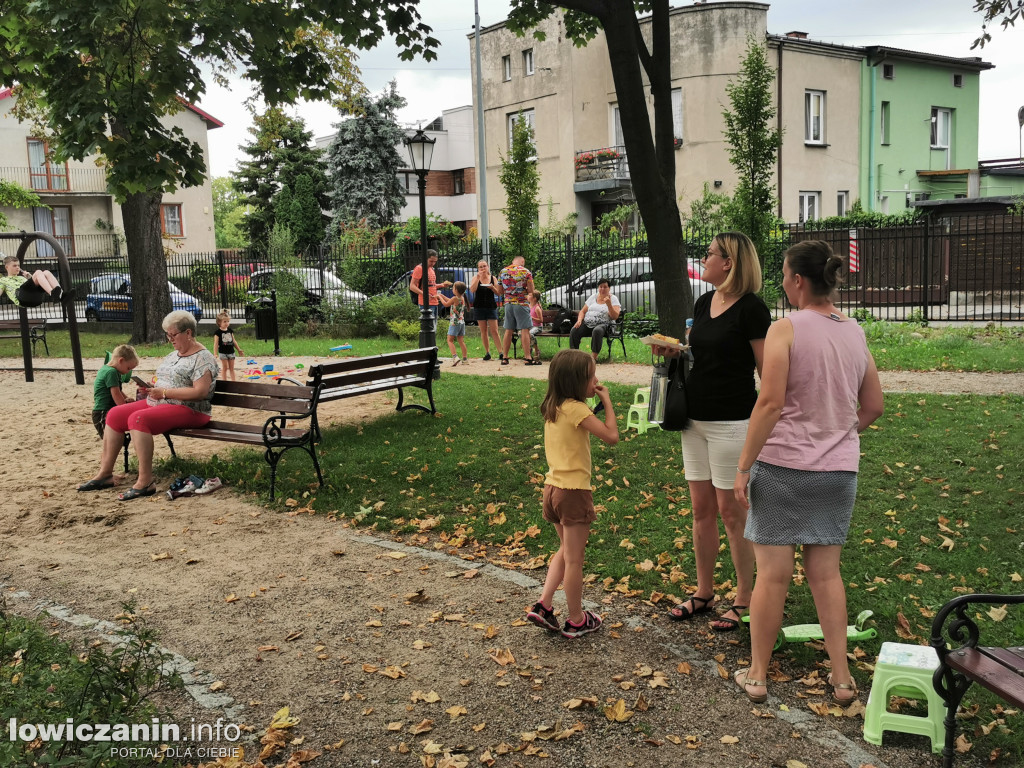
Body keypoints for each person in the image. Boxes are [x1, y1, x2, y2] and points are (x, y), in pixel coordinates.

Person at [731, 240, 884, 705]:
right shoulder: (855, 332)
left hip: (782, 468)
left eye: (783, 274)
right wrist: (836, 433)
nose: (781, 281)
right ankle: (841, 679)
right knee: (826, 575)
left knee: (772, 575)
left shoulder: (786, 328)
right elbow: (874, 406)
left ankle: (757, 675)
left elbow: (771, 402)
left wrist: (743, 466)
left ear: (798, 280)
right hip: (839, 472)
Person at [657, 232, 771, 632]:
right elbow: (700, 354)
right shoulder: (705, 302)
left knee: (731, 512)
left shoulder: (753, 310)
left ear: (730, 263)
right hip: (694, 421)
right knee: (701, 510)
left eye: (709, 254)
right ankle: (704, 592)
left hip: (732, 424)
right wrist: (675, 352)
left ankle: (744, 598)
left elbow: (766, 374)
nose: (703, 259)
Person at [77, 311, 219, 500]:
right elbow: (166, 383)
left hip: (191, 409)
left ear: (188, 333)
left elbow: (199, 392)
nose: (170, 339)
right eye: (167, 335)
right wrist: (151, 389)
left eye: (173, 335)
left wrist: (165, 393)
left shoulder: (202, 358)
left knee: (138, 419)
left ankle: (145, 482)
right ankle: (105, 474)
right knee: (115, 414)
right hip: (163, 401)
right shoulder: (173, 355)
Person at [527, 349, 619, 638]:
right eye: (592, 376)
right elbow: (611, 436)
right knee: (575, 560)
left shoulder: (554, 406)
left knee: (565, 552)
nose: (596, 380)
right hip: (573, 493)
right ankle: (577, 619)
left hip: (552, 490)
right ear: (577, 381)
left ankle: (543, 605)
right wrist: (606, 401)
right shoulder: (578, 410)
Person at [92, 344, 139, 438]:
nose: (127, 372)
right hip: (103, 411)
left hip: (107, 409)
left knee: (115, 438)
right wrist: (126, 409)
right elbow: (116, 394)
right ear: (121, 360)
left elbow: (118, 390)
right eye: (128, 368)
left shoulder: (107, 369)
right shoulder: (111, 372)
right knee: (110, 440)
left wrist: (126, 399)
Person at [569, 278, 621, 361]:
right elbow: (582, 311)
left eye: (605, 287)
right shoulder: (593, 297)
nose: (602, 289)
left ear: (609, 288)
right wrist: (579, 321)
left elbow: (615, 316)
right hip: (588, 324)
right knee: (574, 330)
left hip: (605, 325)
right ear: (598, 288)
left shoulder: (613, 298)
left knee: (597, 330)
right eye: (600, 287)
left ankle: (593, 358)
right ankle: (574, 356)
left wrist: (609, 305)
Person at [499, 255, 536, 365]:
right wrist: (524, 289)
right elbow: (531, 290)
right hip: (521, 303)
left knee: (508, 329)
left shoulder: (503, 271)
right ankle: (527, 357)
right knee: (524, 329)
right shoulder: (526, 272)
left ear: (513, 261)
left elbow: (500, 290)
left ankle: (505, 357)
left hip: (508, 303)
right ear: (522, 262)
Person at [470, 260, 503, 361]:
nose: (483, 269)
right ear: (478, 269)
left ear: (488, 267)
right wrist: (478, 278)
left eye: (484, 266)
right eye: (481, 267)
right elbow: (472, 289)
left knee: (494, 330)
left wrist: (492, 287)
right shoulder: (475, 278)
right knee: (483, 330)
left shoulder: (493, 278)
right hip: (479, 306)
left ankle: (501, 352)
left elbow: (498, 293)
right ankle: (487, 352)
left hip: (490, 306)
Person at [409, 249, 451, 323]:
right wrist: (424, 294)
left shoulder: (431, 269)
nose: (433, 263)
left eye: (435, 261)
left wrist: (442, 285)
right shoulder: (419, 268)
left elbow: (431, 285)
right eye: (431, 261)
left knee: (433, 326)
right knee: (429, 326)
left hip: (434, 301)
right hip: (425, 302)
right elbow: (412, 286)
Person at [439, 281, 469, 366]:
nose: (452, 289)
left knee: (450, 340)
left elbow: (445, 304)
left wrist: (439, 297)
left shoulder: (455, 298)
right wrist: (442, 296)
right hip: (461, 322)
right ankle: (465, 359)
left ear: (456, 290)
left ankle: (455, 357)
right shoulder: (462, 298)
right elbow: (450, 301)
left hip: (454, 322)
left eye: (453, 288)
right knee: (461, 340)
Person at [214, 310, 245, 382]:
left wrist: (238, 349)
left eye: (228, 321)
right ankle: (225, 382)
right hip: (223, 353)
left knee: (231, 368)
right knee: (225, 368)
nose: (227, 323)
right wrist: (215, 353)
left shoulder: (230, 331)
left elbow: (234, 341)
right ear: (219, 322)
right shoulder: (217, 333)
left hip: (231, 352)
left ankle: (233, 382)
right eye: (224, 322)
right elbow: (216, 343)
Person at [527, 290, 544, 361]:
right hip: (529, 326)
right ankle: (528, 350)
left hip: (537, 327)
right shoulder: (528, 306)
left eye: (530, 295)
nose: (528, 296)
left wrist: (532, 318)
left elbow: (541, 320)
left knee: (530, 334)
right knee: (522, 333)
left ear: (534, 299)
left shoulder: (537, 308)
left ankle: (536, 350)